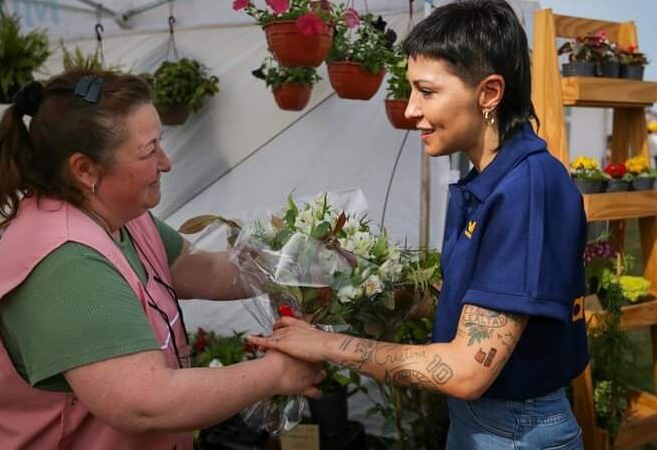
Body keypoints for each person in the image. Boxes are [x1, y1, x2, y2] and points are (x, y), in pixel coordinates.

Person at [249, 1, 588, 449]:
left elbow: (467, 370)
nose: (409, 110)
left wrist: (327, 346)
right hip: (485, 425)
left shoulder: (526, 188)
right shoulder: (487, 178)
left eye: (426, 92)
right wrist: (363, 289)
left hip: (513, 432)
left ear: (488, 93)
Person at [0, 71, 324, 450]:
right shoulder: (66, 264)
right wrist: (277, 373)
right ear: (85, 170)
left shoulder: (123, 218)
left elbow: (201, 269)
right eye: (149, 151)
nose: (166, 163)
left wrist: (296, 262)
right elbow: (146, 402)